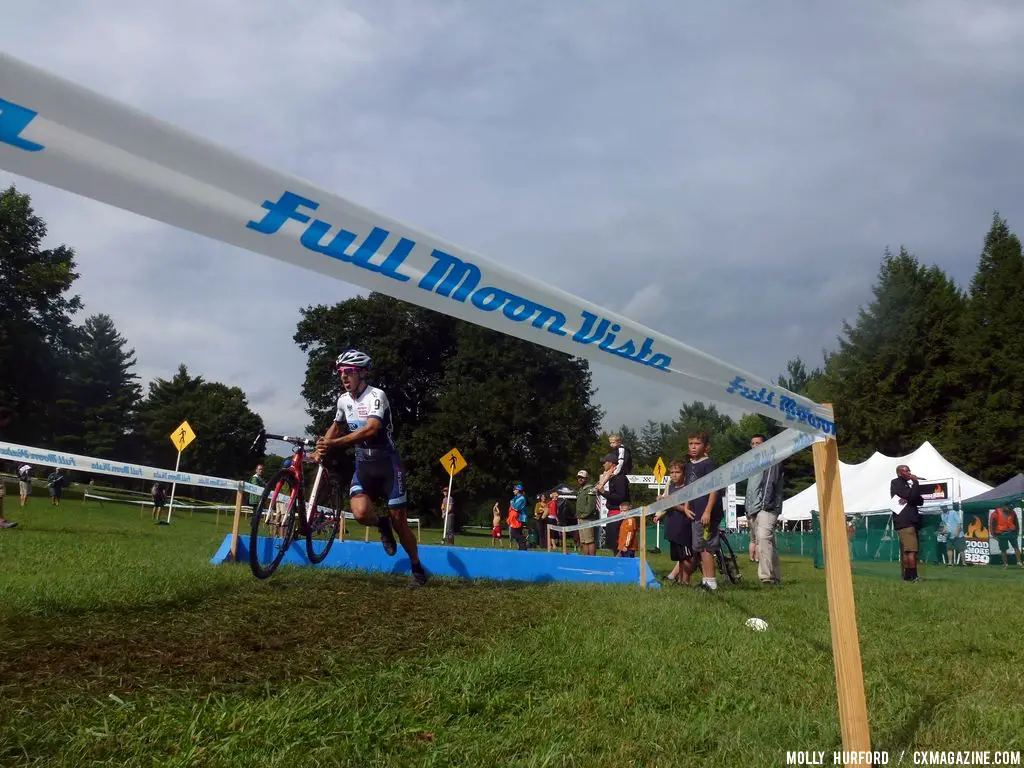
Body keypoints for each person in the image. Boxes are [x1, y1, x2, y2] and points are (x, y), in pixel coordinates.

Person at [313, 348, 427, 588]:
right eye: (340, 372)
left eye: (348, 372)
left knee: (400, 522)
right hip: (363, 463)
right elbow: (336, 425)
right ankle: (381, 524)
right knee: (361, 513)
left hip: (388, 464)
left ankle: (417, 569)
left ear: (362, 373)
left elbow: (371, 429)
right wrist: (321, 447)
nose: (343, 377)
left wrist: (334, 444)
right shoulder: (343, 400)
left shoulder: (377, 395)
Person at [684, 432, 724, 592]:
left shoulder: (709, 464)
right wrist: (686, 506)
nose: (693, 447)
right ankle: (705, 579)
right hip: (695, 511)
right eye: (691, 443)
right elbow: (688, 489)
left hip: (707, 512)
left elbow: (714, 489)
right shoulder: (689, 465)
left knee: (707, 547)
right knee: (699, 547)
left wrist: (708, 511)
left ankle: (711, 582)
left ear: (706, 447)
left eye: (697, 443)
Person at [654, 459, 695, 584]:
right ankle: (680, 580)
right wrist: (662, 502)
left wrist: (672, 504)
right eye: (671, 472)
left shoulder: (688, 489)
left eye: (677, 472)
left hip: (684, 528)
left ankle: (686, 582)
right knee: (680, 558)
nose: (674, 475)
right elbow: (667, 506)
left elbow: (689, 510)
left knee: (687, 557)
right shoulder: (670, 487)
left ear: (684, 473)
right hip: (672, 527)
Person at [754, 436, 785, 586]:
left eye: (758, 443)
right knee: (769, 541)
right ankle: (776, 576)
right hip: (758, 507)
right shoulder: (755, 464)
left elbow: (769, 484)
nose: (755, 446)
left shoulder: (771, 460)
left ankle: (766, 577)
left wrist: (763, 505)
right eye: (752, 444)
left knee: (763, 540)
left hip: (768, 507)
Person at [890, 464, 924, 582]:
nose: (909, 472)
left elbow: (919, 500)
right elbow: (911, 496)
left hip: (906, 522)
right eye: (906, 471)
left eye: (909, 470)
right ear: (899, 473)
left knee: (907, 550)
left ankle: (907, 576)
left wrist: (910, 497)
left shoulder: (905, 485)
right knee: (911, 551)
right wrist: (915, 483)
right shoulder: (897, 482)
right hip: (906, 522)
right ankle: (913, 576)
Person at [596, 453, 630, 554]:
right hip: (612, 514)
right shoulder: (611, 477)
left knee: (619, 544)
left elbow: (620, 497)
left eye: (605, 462)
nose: (603, 465)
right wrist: (600, 490)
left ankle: (621, 565)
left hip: (619, 514)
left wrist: (604, 493)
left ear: (611, 464)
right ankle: (617, 564)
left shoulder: (620, 478)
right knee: (613, 545)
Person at [575, 470, 598, 556]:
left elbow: (591, 506)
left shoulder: (590, 489)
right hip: (580, 518)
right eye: (578, 477)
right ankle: (585, 560)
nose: (580, 479)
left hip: (587, 518)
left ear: (586, 479)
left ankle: (592, 560)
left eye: (582, 478)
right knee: (583, 541)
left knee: (590, 540)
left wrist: (584, 515)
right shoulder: (581, 490)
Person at [508, 483, 528, 550]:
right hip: (515, 518)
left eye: (514, 489)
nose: (513, 491)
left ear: (518, 490)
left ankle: (523, 540)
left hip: (519, 518)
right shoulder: (516, 497)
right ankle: (522, 548)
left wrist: (511, 503)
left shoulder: (522, 498)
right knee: (518, 533)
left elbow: (516, 508)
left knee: (513, 533)